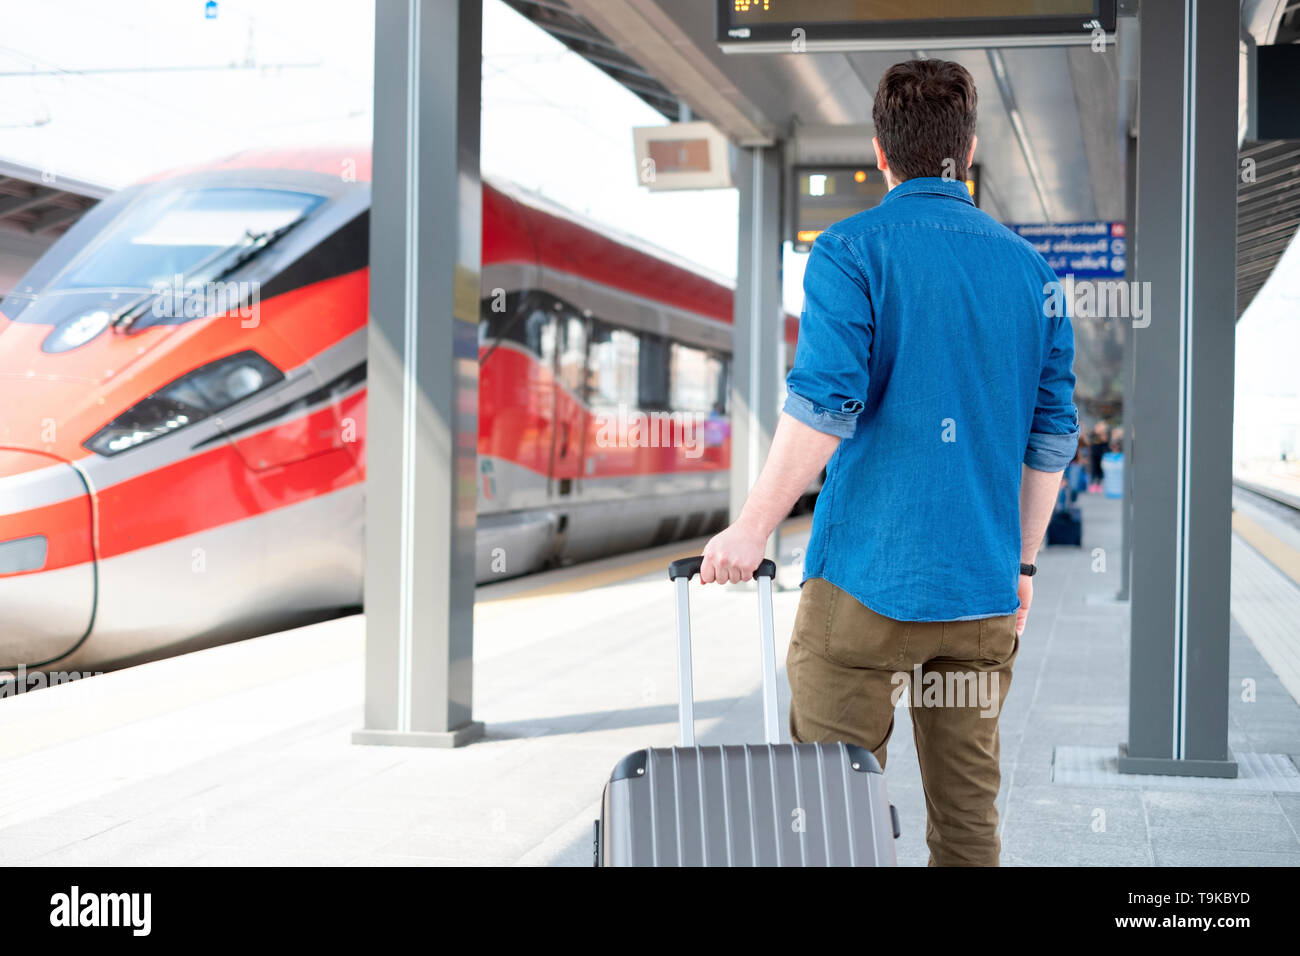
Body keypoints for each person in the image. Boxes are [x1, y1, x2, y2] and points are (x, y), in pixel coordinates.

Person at [698, 59, 1078, 867]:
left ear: (880, 152)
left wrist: (752, 528)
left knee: (828, 816)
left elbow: (824, 405)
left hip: (864, 588)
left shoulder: (848, 252)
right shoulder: (1035, 274)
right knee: (968, 825)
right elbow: (1052, 438)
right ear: (967, 152)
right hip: (979, 595)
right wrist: (1024, 563)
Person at [1088, 421, 1110, 492]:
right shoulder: (1093, 434)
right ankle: (1092, 484)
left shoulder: (1105, 435)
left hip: (1102, 454)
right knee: (1093, 469)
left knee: (1100, 470)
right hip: (1094, 454)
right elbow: (1090, 441)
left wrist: (1103, 435)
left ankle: (1099, 485)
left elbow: (1106, 443)